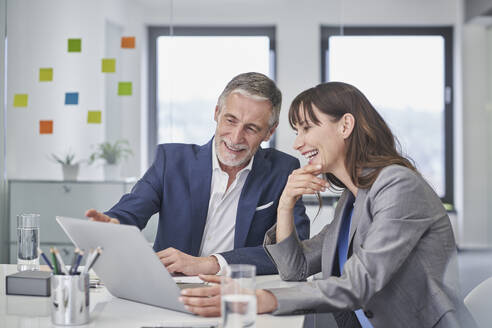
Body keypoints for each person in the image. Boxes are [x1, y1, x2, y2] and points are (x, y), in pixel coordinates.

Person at [179, 82, 478, 327]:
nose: (297, 143)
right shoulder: (352, 199)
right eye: (297, 131)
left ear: (345, 125)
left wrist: (263, 298)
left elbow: (360, 283)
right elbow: (294, 269)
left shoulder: (397, 186)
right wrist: (285, 203)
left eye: (307, 128)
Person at [85, 72, 310, 276]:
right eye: (230, 120)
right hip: (170, 289)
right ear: (216, 113)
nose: (235, 137)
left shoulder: (283, 170)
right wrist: (114, 224)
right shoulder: (171, 161)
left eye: (251, 128)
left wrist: (213, 263)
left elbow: (293, 252)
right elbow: (131, 210)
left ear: (269, 132)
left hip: (238, 291)